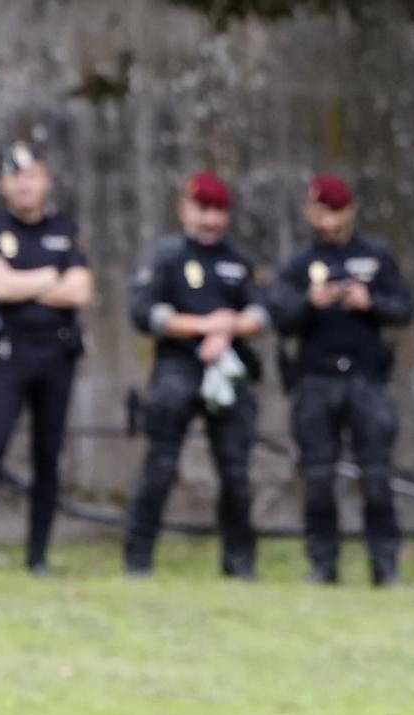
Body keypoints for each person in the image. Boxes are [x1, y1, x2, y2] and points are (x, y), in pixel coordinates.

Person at [268, 174, 414, 586]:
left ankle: (385, 568)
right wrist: (308, 303)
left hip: (367, 382)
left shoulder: (377, 256)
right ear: (309, 214)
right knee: (316, 477)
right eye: (320, 214)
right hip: (315, 382)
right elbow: (278, 316)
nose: (328, 223)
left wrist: (370, 303)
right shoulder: (299, 263)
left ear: (350, 211)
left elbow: (404, 308)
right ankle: (322, 566)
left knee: (376, 477)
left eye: (335, 213)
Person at [123, 170, 266, 578]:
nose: (210, 220)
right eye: (203, 210)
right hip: (177, 368)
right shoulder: (166, 256)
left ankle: (240, 566)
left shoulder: (237, 262)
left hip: (227, 370)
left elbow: (260, 313)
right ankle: (138, 561)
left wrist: (229, 329)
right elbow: (145, 312)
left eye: (219, 211)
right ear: (184, 208)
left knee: (236, 472)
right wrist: (205, 327)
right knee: (160, 467)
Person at [0, 142, 93, 577]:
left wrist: (23, 283)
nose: (25, 184)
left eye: (33, 175)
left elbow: (80, 290)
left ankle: (37, 557)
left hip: (56, 353)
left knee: (47, 455)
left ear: (46, 181)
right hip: (9, 355)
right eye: (16, 176)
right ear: (3, 184)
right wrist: (49, 277)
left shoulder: (65, 231)